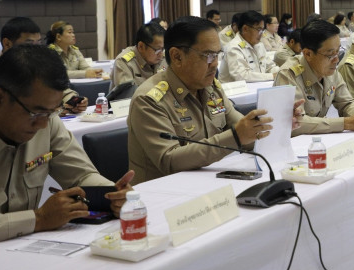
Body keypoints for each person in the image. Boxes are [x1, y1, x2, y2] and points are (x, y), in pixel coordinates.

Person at [0, 45, 134, 249]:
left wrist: (112, 194)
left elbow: (81, 176)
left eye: (51, 112)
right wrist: (37, 219)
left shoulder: (47, 121)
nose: (43, 124)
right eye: (35, 113)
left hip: (27, 251)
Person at [127, 17, 303, 183]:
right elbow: (169, 160)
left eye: (217, 55)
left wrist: (278, 122)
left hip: (207, 183)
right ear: (177, 56)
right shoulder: (149, 100)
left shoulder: (211, 88)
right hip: (162, 195)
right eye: (208, 56)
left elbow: (245, 132)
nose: (215, 64)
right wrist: (235, 136)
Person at [274, 20, 354, 135]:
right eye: (330, 55)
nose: (336, 60)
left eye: (338, 52)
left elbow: (347, 103)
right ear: (308, 54)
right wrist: (346, 123)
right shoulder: (288, 75)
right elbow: (296, 123)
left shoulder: (331, 71)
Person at [219, 10, 279, 83]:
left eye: (262, 30)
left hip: (257, 86)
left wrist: (281, 72)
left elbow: (270, 66)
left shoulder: (259, 45)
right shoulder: (233, 47)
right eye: (259, 29)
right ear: (245, 29)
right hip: (236, 89)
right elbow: (241, 76)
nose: (261, 33)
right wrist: (272, 76)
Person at [110, 22, 167, 91]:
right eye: (157, 50)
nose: (161, 54)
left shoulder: (164, 58)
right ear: (141, 46)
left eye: (163, 49)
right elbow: (127, 95)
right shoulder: (124, 62)